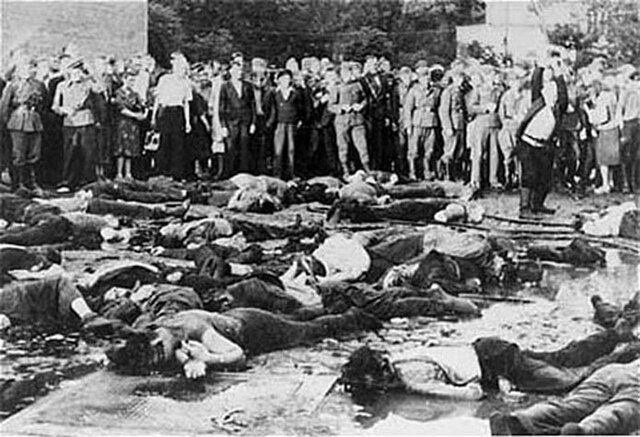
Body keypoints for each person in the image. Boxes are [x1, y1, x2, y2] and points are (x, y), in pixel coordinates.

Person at [107, 306, 380, 378]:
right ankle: (325, 306)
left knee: (308, 332)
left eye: (159, 358)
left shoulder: (194, 329)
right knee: (294, 318)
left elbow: (237, 355)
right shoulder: (154, 332)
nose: (159, 365)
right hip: (234, 318)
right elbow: (116, 346)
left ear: (157, 343)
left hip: (255, 328)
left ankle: (353, 317)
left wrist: (207, 359)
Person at [489, 358, 640, 435]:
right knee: (620, 410)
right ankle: (583, 431)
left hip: (613, 370)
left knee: (572, 404)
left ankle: (523, 418)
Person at [515, 60, 568, 218]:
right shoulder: (538, 101)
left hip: (544, 146)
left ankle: (537, 205)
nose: (553, 96)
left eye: (555, 94)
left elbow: (564, 95)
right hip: (527, 143)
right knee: (529, 175)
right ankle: (524, 208)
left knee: (545, 177)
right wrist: (541, 66)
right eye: (549, 93)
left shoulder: (558, 109)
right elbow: (535, 83)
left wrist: (559, 76)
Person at [0, 57, 47, 193]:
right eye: (28, 67)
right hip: (18, 122)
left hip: (35, 121)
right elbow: (4, 106)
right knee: (19, 154)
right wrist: (7, 123)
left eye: (33, 67)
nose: (32, 70)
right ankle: (18, 183)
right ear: (21, 69)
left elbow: (44, 104)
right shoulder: (13, 85)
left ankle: (31, 182)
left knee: (34, 153)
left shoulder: (39, 85)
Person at [51, 58, 99, 192]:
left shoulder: (87, 84)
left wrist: (91, 73)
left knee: (88, 153)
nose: (77, 74)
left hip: (85, 121)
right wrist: (63, 110)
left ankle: (89, 183)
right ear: (68, 71)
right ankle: (68, 182)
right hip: (69, 122)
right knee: (70, 152)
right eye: (74, 71)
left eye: (79, 70)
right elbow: (55, 106)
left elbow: (100, 88)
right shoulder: (62, 86)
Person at [151, 52, 192, 181]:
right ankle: (162, 171)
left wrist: (187, 122)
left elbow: (186, 103)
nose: (181, 71)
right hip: (166, 112)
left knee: (178, 144)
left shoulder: (186, 83)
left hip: (178, 112)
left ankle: (177, 173)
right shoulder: (165, 79)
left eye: (183, 68)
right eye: (178, 67)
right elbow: (158, 99)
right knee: (164, 142)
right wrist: (154, 116)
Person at [403, 62, 442, 181]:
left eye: (427, 77)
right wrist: (408, 125)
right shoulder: (414, 90)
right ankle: (412, 172)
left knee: (429, 150)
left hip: (431, 122)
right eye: (423, 77)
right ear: (419, 79)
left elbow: (439, 106)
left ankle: (427, 172)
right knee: (414, 150)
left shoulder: (435, 90)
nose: (426, 80)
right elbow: (407, 108)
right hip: (417, 122)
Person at [329, 62, 369, 178]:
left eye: (349, 71)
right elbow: (331, 106)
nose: (348, 74)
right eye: (345, 72)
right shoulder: (336, 87)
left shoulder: (358, 85)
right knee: (343, 147)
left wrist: (361, 105)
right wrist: (341, 108)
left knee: (363, 146)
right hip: (342, 121)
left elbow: (365, 99)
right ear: (341, 74)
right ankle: (345, 170)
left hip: (357, 120)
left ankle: (367, 168)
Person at [218, 59, 256, 177]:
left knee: (244, 148)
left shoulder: (248, 86)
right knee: (231, 148)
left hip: (245, 121)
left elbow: (252, 105)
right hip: (231, 122)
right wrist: (223, 126)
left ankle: (244, 174)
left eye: (240, 70)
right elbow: (221, 108)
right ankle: (230, 174)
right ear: (231, 72)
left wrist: (253, 123)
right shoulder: (225, 86)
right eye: (236, 70)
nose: (239, 73)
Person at [585, 78, 619, 195]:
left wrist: (590, 113)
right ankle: (610, 182)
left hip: (604, 129)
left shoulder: (602, 98)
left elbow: (603, 117)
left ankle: (605, 185)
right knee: (611, 159)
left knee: (603, 160)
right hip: (614, 128)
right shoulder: (612, 95)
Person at [113, 68, 147, 181]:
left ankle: (128, 173)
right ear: (124, 79)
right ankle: (119, 173)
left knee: (130, 150)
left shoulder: (135, 94)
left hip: (132, 125)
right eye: (129, 80)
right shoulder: (118, 93)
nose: (131, 83)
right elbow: (121, 109)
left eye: (133, 81)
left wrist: (143, 112)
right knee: (121, 149)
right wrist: (135, 115)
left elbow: (141, 106)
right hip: (122, 123)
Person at [438, 68, 471, 181]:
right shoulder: (448, 92)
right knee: (450, 151)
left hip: (460, 125)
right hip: (452, 125)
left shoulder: (460, 91)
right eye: (459, 78)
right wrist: (447, 127)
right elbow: (443, 111)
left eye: (462, 78)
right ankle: (447, 175)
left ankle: (456, 174)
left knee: (459, 151)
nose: (461, 80)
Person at [273, 69, 302, 180]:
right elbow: (271, 108)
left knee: (291, 149)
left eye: (288, 79)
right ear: (279, 80)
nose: (287, 81)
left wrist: (299, 120)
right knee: (278, 149)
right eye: (284, 79)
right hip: (279, 124)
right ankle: (277, 174)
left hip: (292, 123)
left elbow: (300, 108)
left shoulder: (295, 93)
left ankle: (292, 173)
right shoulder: (275, 93)